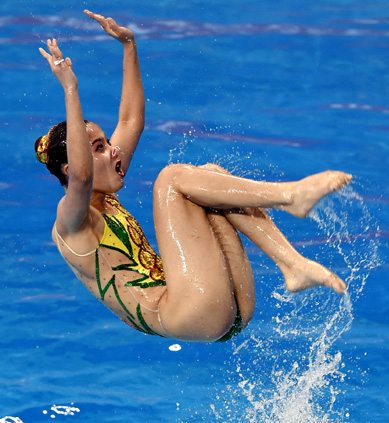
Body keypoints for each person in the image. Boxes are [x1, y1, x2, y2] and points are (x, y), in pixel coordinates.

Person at [36, 11, 352, 341]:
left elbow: (130, 121)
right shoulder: (72, 223)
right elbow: (83, 179)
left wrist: (129, 45)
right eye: (100, 148)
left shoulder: (107, 191)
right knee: (170, 179)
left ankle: (292, 265)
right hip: (187, 313)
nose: (114, 150)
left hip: (223, 306)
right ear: (71, 169)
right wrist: (70, 89)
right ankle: (291, 196)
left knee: (210, 180)